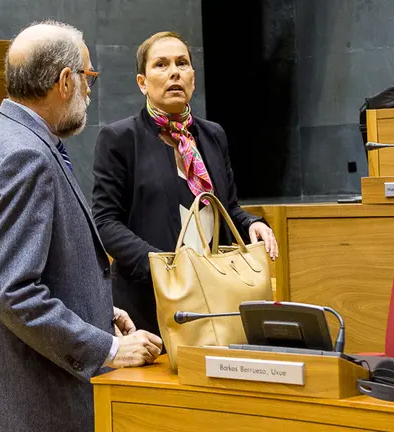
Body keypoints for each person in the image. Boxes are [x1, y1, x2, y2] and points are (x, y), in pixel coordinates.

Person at [0, 21, 163, 432]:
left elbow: (19, 268)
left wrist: (97, 309)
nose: (88, 90)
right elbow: (11, 293)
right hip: (28, 399)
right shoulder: (26, 156)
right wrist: (109, 348)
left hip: (7, 391)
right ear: (66, 81)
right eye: (89, 77)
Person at [92, 31, 278, 335]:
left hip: (215, 295)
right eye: (161, 65)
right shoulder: (120, 139)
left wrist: (251, 224)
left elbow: (227, 207)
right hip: (149, 304)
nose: (174, 72)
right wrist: (160, 267)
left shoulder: (213, 135)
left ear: (192, 76)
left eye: (182, 63)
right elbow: (105, 221)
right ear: (142, 82)